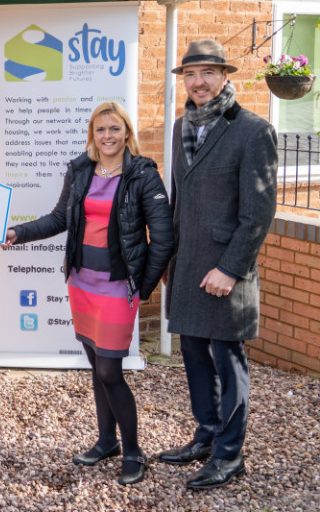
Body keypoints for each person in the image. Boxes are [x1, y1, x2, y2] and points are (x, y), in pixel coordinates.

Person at [4, 102, 173, 485]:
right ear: (92, 134)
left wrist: (141, 288)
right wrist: (18, 233)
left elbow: (163, 239)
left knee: (111, 370)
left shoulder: (143, 175)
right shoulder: (80, 170)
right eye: (101, 129)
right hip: (82, 283)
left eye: (114, 129)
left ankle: (134, 452)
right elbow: (60, 218)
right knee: (96, 366)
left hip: (118, 287)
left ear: (126, 133)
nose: (107, 136)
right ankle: (106, 441)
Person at [159, 39, 277, 490]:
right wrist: (169, 259)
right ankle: (206, 436)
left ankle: (230, 455)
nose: (199, 82)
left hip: (228, 272)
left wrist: (230, 269)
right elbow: (179, 200)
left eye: (208, 72)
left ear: (225, 76)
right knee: (193, 356)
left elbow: (258, 212)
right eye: (191, 74)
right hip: (188, 266)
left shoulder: (253, 131)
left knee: (228, 362)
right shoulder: (180, 127)